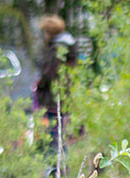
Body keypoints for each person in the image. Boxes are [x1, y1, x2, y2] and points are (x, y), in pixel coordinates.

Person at [34, 14, 78, 154]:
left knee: (53, 135)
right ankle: (60, 162)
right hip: (64, 97)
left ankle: (55, 164)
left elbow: (49, 73)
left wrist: (40, 85)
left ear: (49, 32)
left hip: (53, 98)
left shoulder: (56, 49)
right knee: (60, 133)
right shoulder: (69, 46)